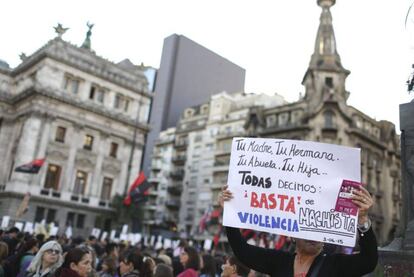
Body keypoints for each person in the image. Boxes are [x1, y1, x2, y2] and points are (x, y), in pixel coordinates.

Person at [220, 185, 378, 277]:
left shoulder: (335, 264)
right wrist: (229, 212)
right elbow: (242, 251)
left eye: (319, 230)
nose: (313, 236)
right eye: (307, 229)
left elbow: (369, 261)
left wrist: (363, 220)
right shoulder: (278, 261)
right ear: (292, 235)